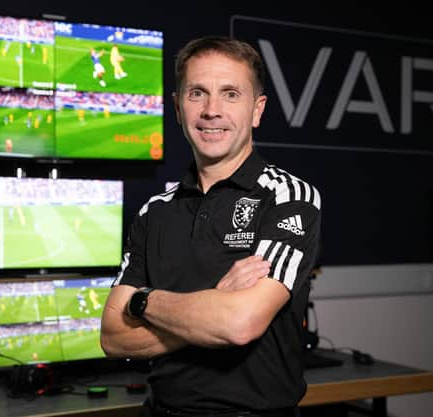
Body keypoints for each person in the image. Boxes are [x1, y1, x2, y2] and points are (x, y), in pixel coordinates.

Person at [100, 36, 321, 417]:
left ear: (257, 109)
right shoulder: (154, 212)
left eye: (231, 94)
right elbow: (113, 337)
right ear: (177, 107)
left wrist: (143, 300)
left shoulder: (289, 197)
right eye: (197, 93)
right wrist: (214, 299)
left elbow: (239, 323)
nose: (211, 110)